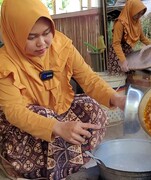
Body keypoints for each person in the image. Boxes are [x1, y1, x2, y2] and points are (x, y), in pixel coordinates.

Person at [0, 0, 126, 179]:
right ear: (14, 34)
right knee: (49, 123)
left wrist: (115, 98)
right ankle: (33, 166)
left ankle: (68, 160)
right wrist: (57, 127)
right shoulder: (4, 63)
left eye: (46, 33)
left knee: (93, 109)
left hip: (59, 109)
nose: (42, 43)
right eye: (31, 37)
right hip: (26, 124)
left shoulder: (62, 45)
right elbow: (15, 112)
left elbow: (88, 78)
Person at [107, 0, 151, 76]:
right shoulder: (120, 23)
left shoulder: (137, 22)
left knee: (130, 76)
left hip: (128, 51)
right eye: (137, 13)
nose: (139, 16)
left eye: (141, 14)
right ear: (131, 10)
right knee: (118, 77)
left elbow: (142, 38)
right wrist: (123, 60)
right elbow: (116, 44)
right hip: (118, 53)